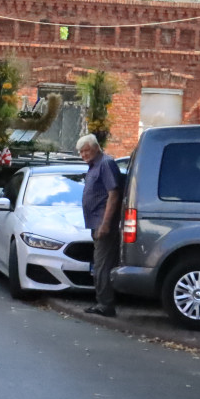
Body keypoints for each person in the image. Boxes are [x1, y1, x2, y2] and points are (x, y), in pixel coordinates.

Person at [78, 133, 123, 317]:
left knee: (102, 266)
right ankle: (102, 302)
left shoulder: (105, 163)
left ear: (96, 148)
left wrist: (105, 224)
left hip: (103, 224)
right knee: (99, 264)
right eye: (81, 152)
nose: (84, 155)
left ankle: (105, 305)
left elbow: (113, 194)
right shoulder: (93, 166)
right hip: (95, 223)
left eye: (87, 150)